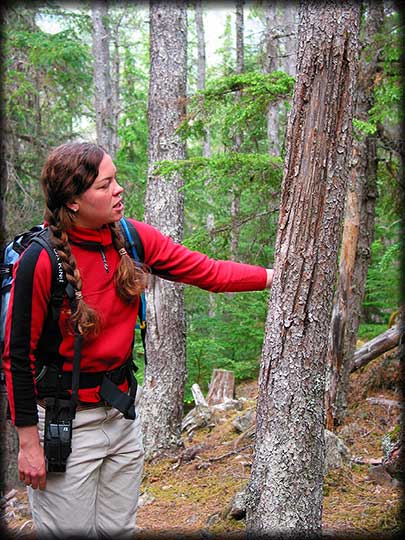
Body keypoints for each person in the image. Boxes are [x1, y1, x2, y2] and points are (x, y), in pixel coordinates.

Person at [3, 141, 274, 539]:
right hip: (65, 424)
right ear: (74, 202)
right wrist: (28, 443)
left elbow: (208, 272)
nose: (118, 190)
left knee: (120, 530)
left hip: (121, 415)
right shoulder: (40, 261)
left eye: (117, 180)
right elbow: (16, 356)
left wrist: (274, 276)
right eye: (105, 184)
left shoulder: (129, 238)